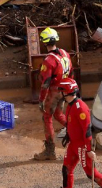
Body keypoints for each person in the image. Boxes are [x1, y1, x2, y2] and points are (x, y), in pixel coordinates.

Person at [31, 27, 74, 161]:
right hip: (64, 90)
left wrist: (41, 100)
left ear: (44, 42)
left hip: (54, 91)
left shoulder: (49, 60)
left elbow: (45, 83)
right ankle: (77, 133)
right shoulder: (65, 53)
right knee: (58, 114)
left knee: (47, 117)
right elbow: (71, 73)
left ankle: (50, 151)